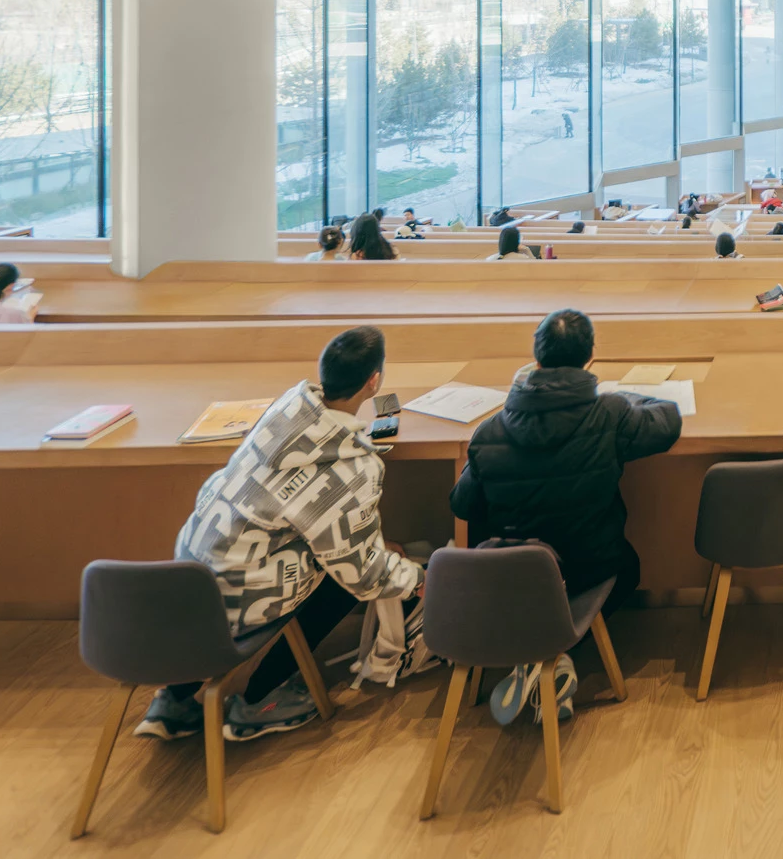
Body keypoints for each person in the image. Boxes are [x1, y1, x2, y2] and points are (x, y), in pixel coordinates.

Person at [134, 326, 424, 743]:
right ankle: (261, 698)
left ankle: (175, 699)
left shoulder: (285, 412)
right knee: (346, 583)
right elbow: (361, 572)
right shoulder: (351, 467)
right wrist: (416, 578)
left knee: (320, 551)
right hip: (235, 604)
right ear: (374, 381)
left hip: (188, 582)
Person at [449, 308, 682, 726]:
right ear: (590, 358)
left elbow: (463, 506)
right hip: (587, 564)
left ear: (534, 361)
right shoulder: (610, 413)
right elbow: (668, 420)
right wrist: (625, 397)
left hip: (511, 577)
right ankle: (557, 655)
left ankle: (534, 655)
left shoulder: (489, 432)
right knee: (628, 567)